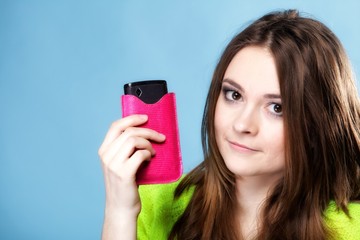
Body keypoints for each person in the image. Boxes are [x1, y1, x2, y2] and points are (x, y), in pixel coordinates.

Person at [98, 9, 360, 240]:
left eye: (276, 108)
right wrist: (119, 212)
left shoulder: (352, 229)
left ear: (319, 124)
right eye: (234, 95)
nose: (242, 125)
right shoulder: (156, 207)